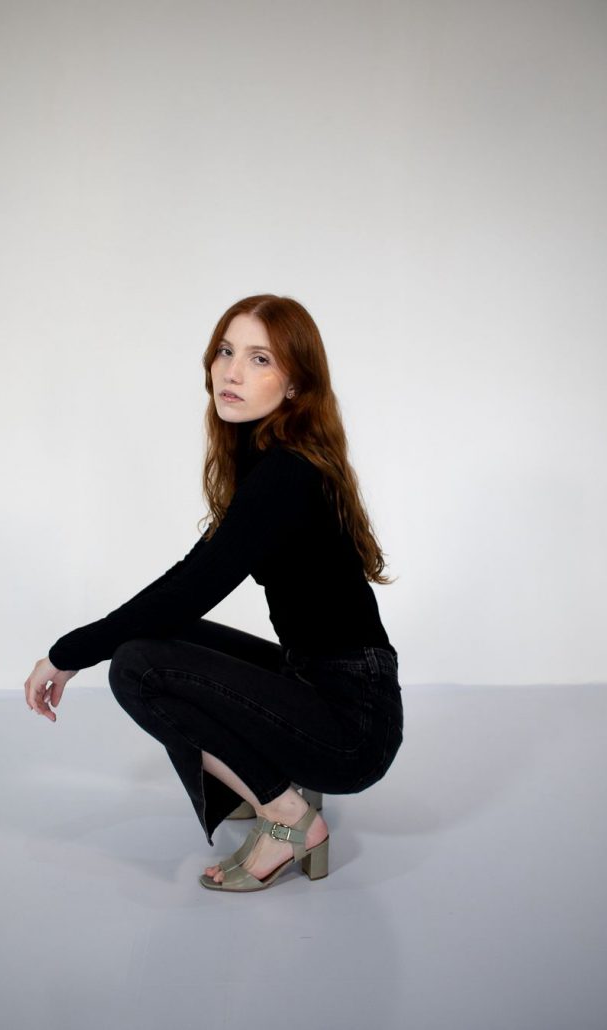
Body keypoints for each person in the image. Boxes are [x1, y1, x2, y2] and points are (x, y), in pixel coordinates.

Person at [23, 293, 404, 893]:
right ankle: (266, 787)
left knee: (137, 667)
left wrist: (68, 652)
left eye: (260, 359)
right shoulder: (268, 459)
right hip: (318, 683)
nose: (231, 371)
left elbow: (192, 586)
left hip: (352, 725)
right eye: (226, 351)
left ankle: (288, 818)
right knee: (158, 639)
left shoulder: (286, 472)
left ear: (295, 385)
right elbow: (188, 582)